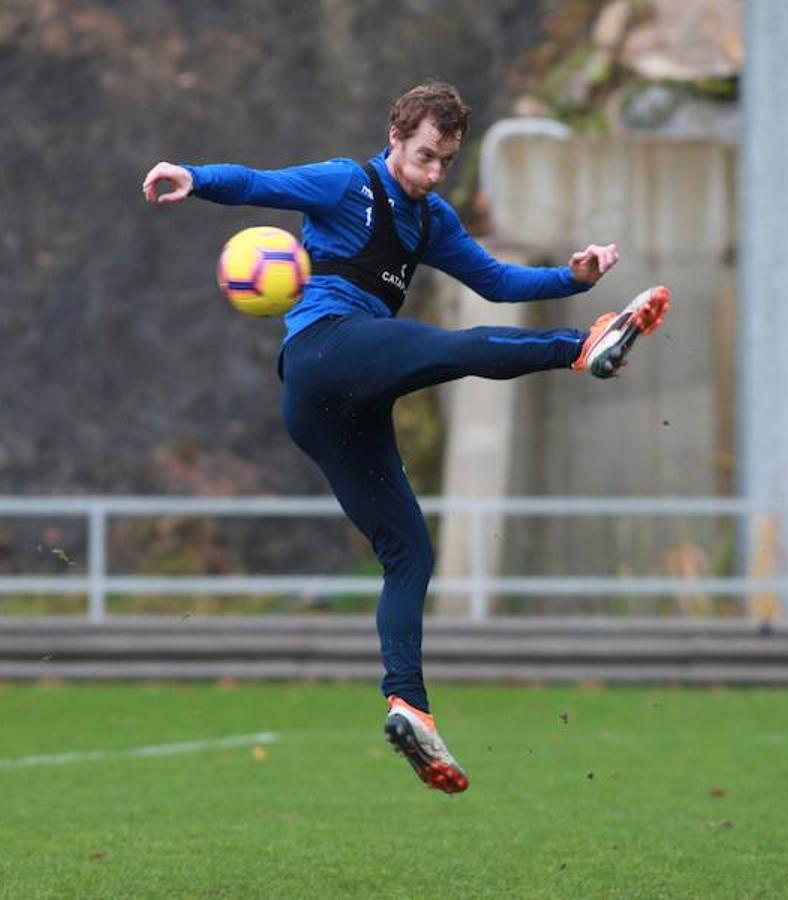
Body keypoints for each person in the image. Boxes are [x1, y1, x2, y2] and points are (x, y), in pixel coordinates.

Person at [142, 82, 669, 794]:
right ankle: (582, 348)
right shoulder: (344, 183)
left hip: (337, 410)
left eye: (444, 162)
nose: (430, 173)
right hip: (325, 355)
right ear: (394, 136)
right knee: (444, 347)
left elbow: (498, 281)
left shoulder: (431, 219)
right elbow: (257, 184)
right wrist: (193, 177)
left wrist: (571, 276)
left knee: (408, 550)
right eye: (423, 155)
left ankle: (408, 706)